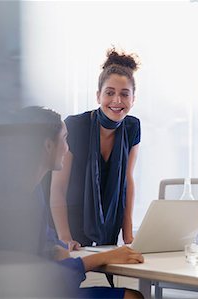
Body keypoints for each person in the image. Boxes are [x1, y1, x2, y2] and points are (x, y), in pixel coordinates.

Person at [17, 106, 144, 299]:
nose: (68, 148)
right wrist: (105, 257)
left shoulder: (34, 192)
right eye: (65, 139)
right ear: (48, 146)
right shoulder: (20, 198)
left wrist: (58, 246)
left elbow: (48, 244)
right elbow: (52, 276)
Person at [51, 48, 141, 248]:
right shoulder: (75, 125)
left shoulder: (132, 127)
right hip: (68, 223)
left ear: (133, 99)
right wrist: (64, 237)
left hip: (109, 225)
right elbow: (58, 187)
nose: (117, 101)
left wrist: (128, 235)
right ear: (98, 96)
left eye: (124, 94)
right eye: (110, 93)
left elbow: (127, 180)